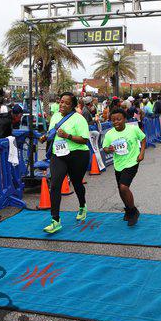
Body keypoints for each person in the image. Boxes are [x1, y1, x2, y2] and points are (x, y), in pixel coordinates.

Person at [38, 92, 90, 234]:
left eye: (67, 103)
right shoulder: (55, 116)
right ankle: (55, 220)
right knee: (55, 185)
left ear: (73, 106)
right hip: (59, 155)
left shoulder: (79, 119)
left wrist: (67, 136)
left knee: (77, 183)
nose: (63, 105)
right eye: (61, 101)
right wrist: (45, 137)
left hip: (78, 155)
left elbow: (84, 140)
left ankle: (82, 206)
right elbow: (52, 133)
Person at [102, 108, 146, 226]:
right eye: (113, 120)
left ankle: (134, 211)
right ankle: (128, 210)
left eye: (119, 119)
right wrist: (109, 149)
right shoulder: (109, 134)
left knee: (123, 187)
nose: (116, 122)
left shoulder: (133, 129)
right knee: (121, 190)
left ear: (125, 119)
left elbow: (143, 139)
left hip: (132, 162)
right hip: (118, 164)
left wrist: (142, 153)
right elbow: (105, 148)